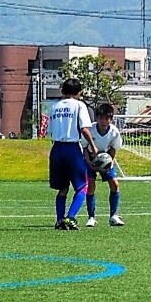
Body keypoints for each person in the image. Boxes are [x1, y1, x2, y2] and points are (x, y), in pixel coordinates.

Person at [47, 78, 97, 231]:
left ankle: (60, 220)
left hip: (56, 149)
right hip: (72, 149)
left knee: (62, 187)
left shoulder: (54, 107)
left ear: (62, 91)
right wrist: (93, 147)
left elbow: (50, 131)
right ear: (79, 92)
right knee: (82, 186)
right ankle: (71, 217)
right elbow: (84, 129)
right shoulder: (79, 105)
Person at [82, 102, 125, 227]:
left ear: (111, 119)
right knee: (91, 185)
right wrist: (89, 162)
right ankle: (91, 217)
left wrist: (109, 162)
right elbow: (84, 147)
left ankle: (113, 216)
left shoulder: (114, 132)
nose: (103, 121)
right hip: (90, 157)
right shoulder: (90, 129)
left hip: (105, 159)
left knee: (114, 184)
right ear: (97, 118)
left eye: (107, 118)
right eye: (101, 118)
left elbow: (113, 148)